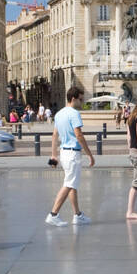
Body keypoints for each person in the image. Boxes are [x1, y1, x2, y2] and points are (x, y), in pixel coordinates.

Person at [46, 86, 94, 226]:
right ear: (73, 98)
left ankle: (77, 215)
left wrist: (54, 156)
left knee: (72, 183)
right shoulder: (74, 113)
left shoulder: (59, 113)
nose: (82, 101)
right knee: (68, 184)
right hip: (73, 153)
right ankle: (53, 214)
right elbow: (79, 134)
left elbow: (55, 135)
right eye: (80, 99)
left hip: (64, 153)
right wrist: (90, 155)